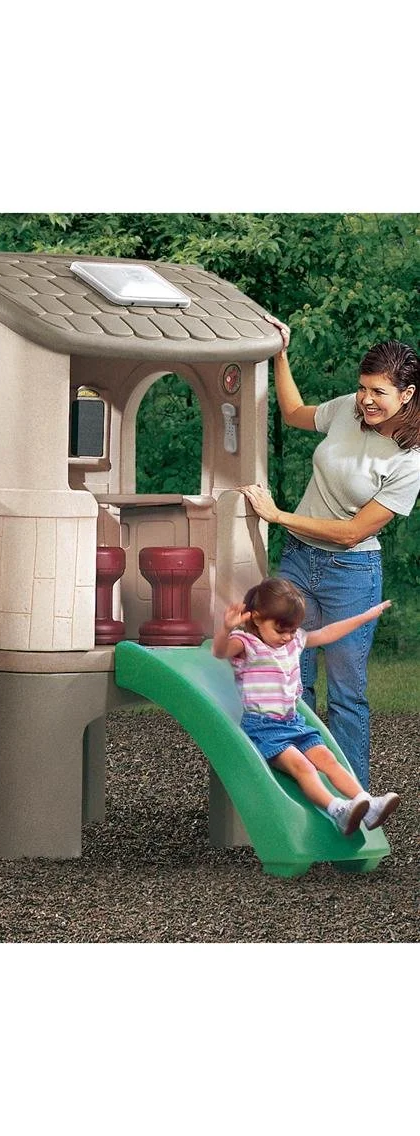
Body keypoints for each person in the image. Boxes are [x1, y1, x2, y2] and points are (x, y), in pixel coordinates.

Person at [240, 317, 420, 789]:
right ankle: (300, 797)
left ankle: (356, 806)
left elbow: (350, 533)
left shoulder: (410, 460)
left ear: (407, 394)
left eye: (379, 391)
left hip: (351, 573)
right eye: (363, 388)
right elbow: (295, 410)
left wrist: (277, 516)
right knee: (290, 684)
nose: (367, 399)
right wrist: (280, 354)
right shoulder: (346, 411)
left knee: (346, 696)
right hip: (299, 561)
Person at [212, 578, 399, 835]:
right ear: (256, 618)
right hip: (263, 728)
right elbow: (219, 652)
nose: (287, 637)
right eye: (280, 630)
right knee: (304, 767)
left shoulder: (293, 641)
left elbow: (326, 634)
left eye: (292, 630)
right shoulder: (246, 645)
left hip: (294, 723)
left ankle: (368, 804)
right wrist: (225, 629)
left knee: (329, 760)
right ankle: (337, 810)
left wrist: (365, 616)